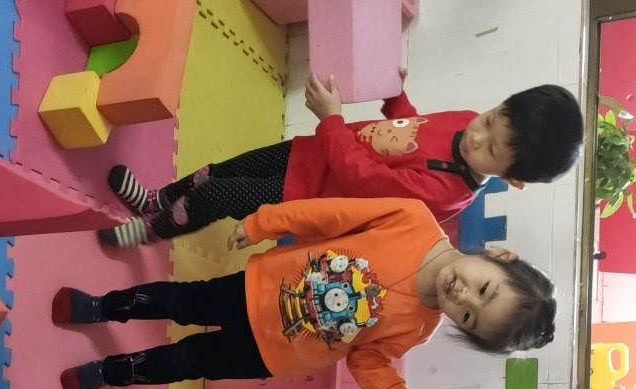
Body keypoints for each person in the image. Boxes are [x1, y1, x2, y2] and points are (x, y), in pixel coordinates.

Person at [55, 196, 555, 389]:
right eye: (483, 288)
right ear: (499, 256)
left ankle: (110, 371)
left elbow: (367, 361)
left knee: (187, 361)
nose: (462, 296)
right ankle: (103, 306)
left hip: (272, 353)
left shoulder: (419, 328)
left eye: (467, 316)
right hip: (256, 288)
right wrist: (264, 222)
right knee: (182, 301)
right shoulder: (413, 220)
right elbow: (329, 214)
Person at [98, 73, 583, 248]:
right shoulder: (464, 122)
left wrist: (331, 119)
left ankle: (154, 230)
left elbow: (364, 179)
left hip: (310, 194)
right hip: (313, 151)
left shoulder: (447, 193)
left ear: (512, 179)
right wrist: (396, 97)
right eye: (490, 118)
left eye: (492, 149)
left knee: (221, 194)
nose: (476, 135)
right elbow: (412, 132)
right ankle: (155, 199)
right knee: (219, 171)